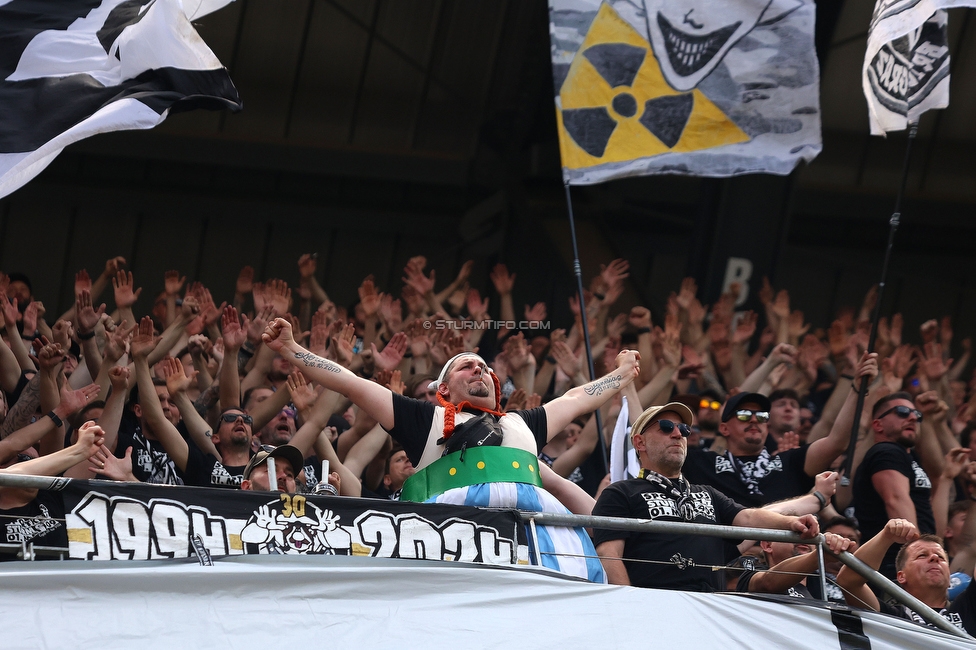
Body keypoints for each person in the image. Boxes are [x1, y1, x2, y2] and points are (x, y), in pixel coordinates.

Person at [262, 317, 642, 582]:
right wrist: (292, 348)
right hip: (454, 538)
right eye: (466, 367)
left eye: (484, 368)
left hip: (541, 543)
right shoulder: (425, 420)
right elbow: (350, 383)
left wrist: (621, 373)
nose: (479, 370)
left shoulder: (523, 424)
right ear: (442, 390)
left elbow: (577, 398)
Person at [592, 402, 819, 591]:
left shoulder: (707, 493)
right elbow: (609, 554)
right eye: (666, 426)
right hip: (653, 604)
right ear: (639, 442)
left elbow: (748, 517)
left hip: (709, 610)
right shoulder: (620, 492)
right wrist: (629, 602)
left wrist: (791, 522)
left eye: (684, 429)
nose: (678, 433)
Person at [683, 351, 877, 509]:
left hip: (782, 554)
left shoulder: (790, 462)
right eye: (743, 415)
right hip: (722, 554)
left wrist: (857, 389)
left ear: (767, 426)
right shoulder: (701, 462)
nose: (753, 420)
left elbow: (837, 442)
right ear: (724, 428)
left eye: (761, 417)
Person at [836, 518, 975, 635]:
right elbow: (848, 581)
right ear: (901, 576)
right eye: (922, 555)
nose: (934, 558)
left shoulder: (968, 607)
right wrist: (886, 536)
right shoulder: (892, 617)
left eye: (940, 557)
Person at [852, 392, 936, 578]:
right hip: (895, 566)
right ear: (878, 424)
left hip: (909, 561)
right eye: (902, 412)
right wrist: (922, 555)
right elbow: (896, 501)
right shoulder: (886, 452)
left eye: (917, 414)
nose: (913, 417)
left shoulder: (908, 456)